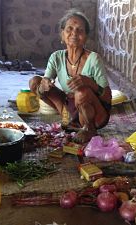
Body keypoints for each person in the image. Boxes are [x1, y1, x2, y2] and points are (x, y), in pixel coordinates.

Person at [29, 9, 112, 144]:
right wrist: (43, 87)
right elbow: (44, 82)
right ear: (62, 34)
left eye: (80, 30)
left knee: (82, 91)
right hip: (69, 106)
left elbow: (108, 97)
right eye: (69, 29)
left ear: (85, 36)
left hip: (95, 113)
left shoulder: (93, 59)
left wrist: (89, 83)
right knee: (34, 82)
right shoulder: (56, 57)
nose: (74, 33)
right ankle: (67, 118)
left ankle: (89, 128)